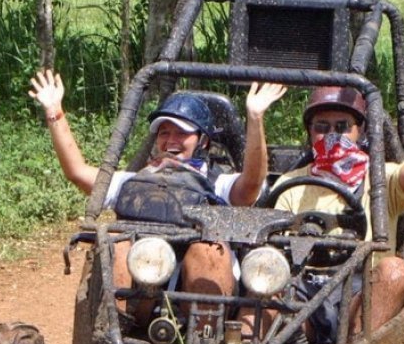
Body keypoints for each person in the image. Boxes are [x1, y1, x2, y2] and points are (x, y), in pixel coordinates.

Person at [29, 69, 286, 325]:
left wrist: (255, 117)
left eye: (181, 133)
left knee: (207, 251)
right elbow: (77, 173)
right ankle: (115, 330)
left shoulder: (217, 182)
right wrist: (55, 112)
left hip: (206, 292)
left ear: (203, 141)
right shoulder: (135, 180)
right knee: (119, 243)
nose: (170, 140)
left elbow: (252, 184)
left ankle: (206, 340)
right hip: (143, 277)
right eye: (164, 132)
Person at [271, 86, 404, 344]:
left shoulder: (380, 177)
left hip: (364, 293)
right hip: (303, 293)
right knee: (264, 285)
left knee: (395, 271)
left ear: (359, 131)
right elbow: (271, 248)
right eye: (322, 127)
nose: (332, 135)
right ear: (309, 132)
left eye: (342, 126)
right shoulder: (290, 183)